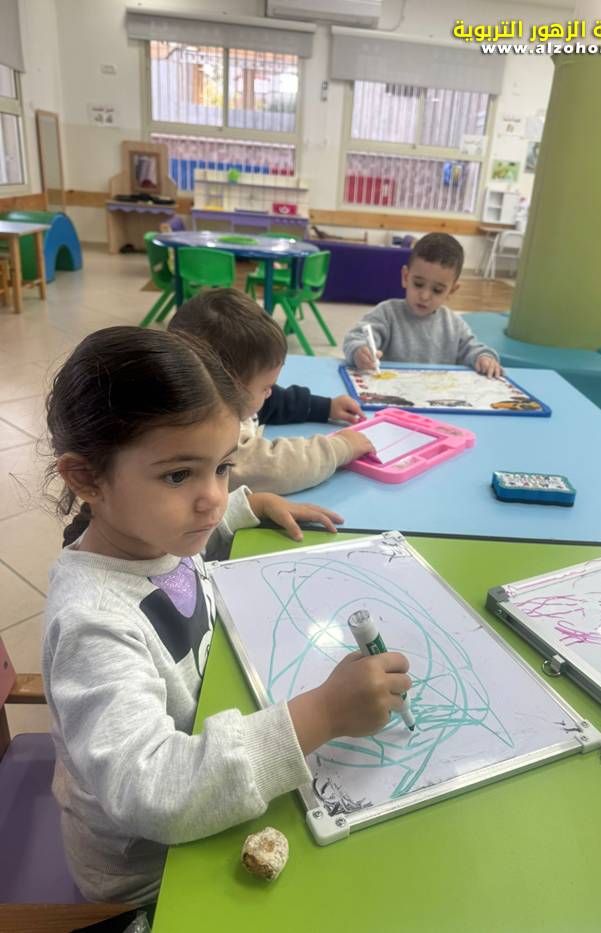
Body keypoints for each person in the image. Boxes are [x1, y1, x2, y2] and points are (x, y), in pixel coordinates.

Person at [42, 326, 411, 904]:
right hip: (152, 873)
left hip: (212, 783)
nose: (212, 497)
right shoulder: (92, 625)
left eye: (221, 467)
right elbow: (153, 792)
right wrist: (321, 714)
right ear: (88, 479)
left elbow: (182, 560)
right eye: (178, 475)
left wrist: (249, 505)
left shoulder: (152, 535)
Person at [168, 289, 374, 497]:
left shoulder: (227, 399)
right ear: (227, 387)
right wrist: (341, 447)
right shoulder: (209, 436)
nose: (270, 393)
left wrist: (325, 407)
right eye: (265, 387)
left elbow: (275, 402)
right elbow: (274, 468)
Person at [343, 233, 503, 378]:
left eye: (437, 290)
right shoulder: (387, 313)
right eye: (418, 284)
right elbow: (355, 339)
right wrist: (359, 351)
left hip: (436, 395)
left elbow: (472, 349)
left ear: (452, 291)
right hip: (391, 393)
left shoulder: (454, 325)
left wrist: (484, 358)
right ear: (406, 277)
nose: (425, 296)